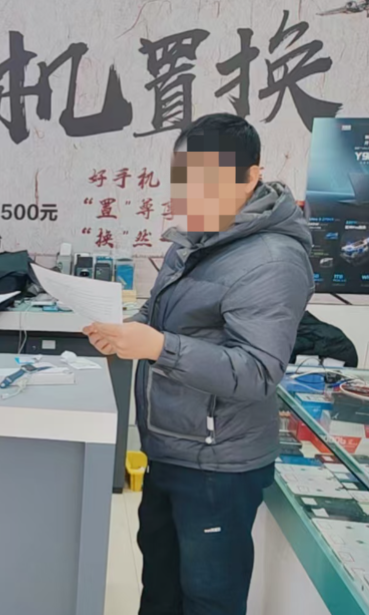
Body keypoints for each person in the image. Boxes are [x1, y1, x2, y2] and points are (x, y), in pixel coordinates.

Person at [84, 113, 313, 615]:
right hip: (169, 446)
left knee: (209, 597)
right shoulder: (194, 239)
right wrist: (121, 331)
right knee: (160, 586)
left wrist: (157, 347)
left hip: (218, 464)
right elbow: (156, 313)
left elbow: (257, 371)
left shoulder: (272, 259)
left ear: (250, 176)